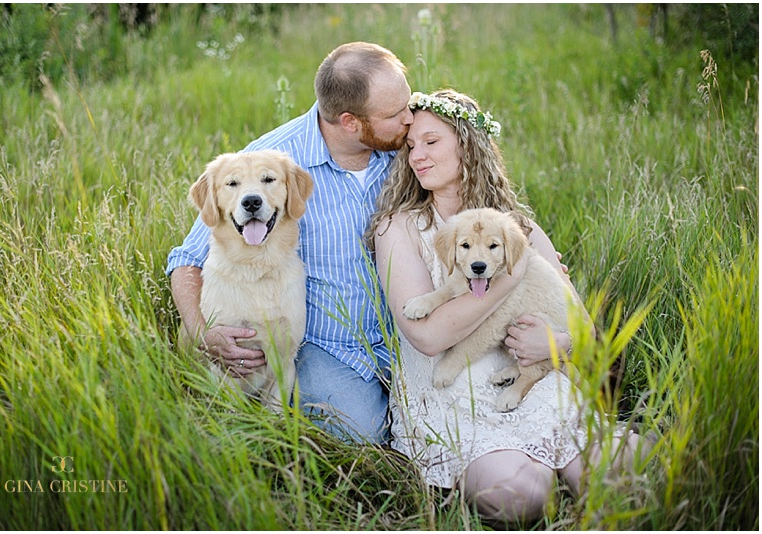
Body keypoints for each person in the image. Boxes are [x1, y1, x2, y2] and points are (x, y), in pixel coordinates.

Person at [368, 89, 646, 525]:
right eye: (410, 146)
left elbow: (585, 332)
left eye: (431, 142)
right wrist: (511, 276)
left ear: (467, 143)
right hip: (450, 392)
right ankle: (536, 473)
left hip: (531, 380)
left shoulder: (520, 229)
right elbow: (427, 335)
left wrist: (557, 342)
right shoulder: (399, 228)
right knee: (522, 494)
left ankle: (577, 470)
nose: (416, 155)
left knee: (623, 470)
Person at [166, 42, 413, 444]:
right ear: (350, 122)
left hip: (409, 336)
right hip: (329, 345)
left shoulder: (410, 148)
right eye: (395, 113)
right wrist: (202, 333)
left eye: (409, 103)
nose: (410, 118)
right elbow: (187, 258)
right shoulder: (269, 165)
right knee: (359, 436)